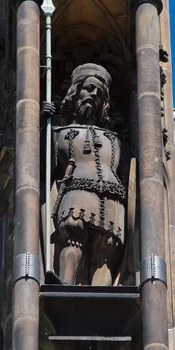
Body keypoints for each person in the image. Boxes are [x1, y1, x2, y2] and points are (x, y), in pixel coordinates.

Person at [47, 63, 126, 286]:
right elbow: (40, 166)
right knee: (72, 235)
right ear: (75, 92)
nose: (94, 94)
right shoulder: (58, 133)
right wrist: (42, 126)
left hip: (112, 199)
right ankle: (65, 284)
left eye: (99, 93)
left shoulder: (115, 138)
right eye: (89, 88)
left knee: (105, 250)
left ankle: (104, 300)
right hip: (77, 192)